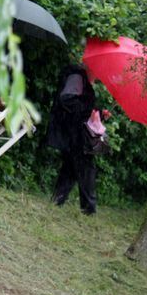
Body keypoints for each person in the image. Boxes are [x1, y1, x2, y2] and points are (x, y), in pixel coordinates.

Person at [46, 64, 101, 214]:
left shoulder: (83, 80)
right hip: (71, 132)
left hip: (75, 132)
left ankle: (58, 200)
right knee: (86, 168)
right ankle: (89, 208)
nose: (99, 75)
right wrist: (89, 111)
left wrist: (99, 112)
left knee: (70, 169)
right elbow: (67, 99)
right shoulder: (77, 77)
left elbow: (83, 105)